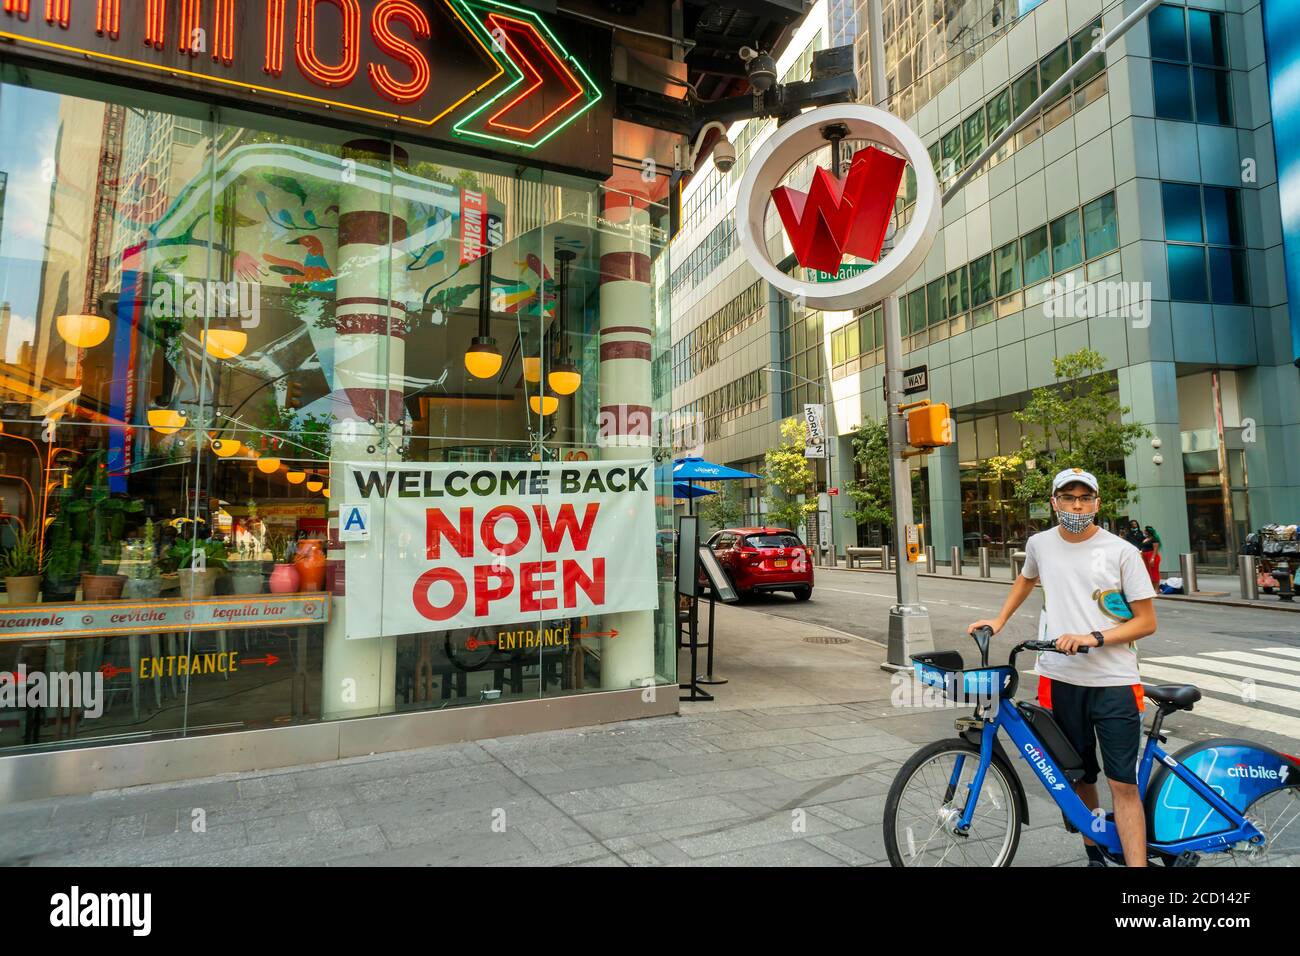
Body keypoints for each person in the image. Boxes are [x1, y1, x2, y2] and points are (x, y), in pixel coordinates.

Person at [967, 467, 1158, 867]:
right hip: (1058, 677)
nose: (1076, 505)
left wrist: (1094, 637)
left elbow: (1146, 621)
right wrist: (998, 621)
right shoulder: (1040, 543)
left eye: (1084, 498)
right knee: (1079, 775)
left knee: (1122, 784)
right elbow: (1026, 579)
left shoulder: (1122, 551)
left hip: (1114, 681)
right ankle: (1094, 855)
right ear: (1054, 503)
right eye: (1068, 498)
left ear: (1097, 503)